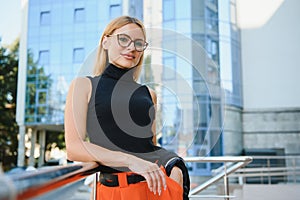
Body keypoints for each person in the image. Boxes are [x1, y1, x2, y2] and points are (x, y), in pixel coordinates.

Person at [64, 16, 190, 200]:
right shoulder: (83, 86)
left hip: (155, 188)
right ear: (105, 42)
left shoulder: (149, 93)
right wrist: (129, 161)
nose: (132, 48)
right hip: (112, 192)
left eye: (139, 43)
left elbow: (149, 147)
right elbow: (74, 148)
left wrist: (174, 164)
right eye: (123, 39)